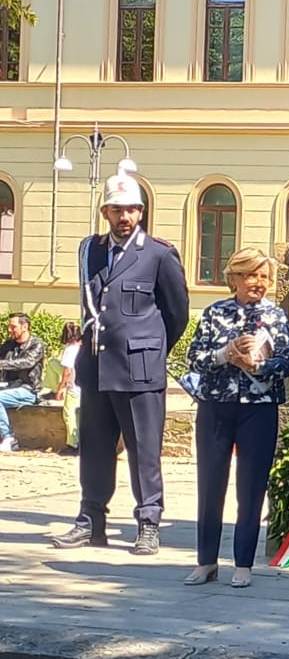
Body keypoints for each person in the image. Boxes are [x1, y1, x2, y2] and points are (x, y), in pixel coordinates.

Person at [52, 173, 189, 555]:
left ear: (141, 212)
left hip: (139, 370)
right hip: (96, 366)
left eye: (130, 209)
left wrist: (149, 349)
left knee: (144, 451)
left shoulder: (159, 254)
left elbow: (176, 314)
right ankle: (90, 521)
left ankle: (148, 523)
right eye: (116, 209)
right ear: (105, 213)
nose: (124, 216)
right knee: (94, 449)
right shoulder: (90, 251)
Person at [183, 248, 289, 588]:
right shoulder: (214, 312)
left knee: (251, 486)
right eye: (250, 275)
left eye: (263, 276)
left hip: (259, 408)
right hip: (216, 406)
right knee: (210, 483)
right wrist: (225, 354)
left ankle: (244, 563)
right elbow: (194, 357)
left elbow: (288, 362)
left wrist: (258, 366)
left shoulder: (275, 315)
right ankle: (206, 561)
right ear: (234, 278)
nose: (257, 282)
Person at [0, 313, 45, 453]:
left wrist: (2, 364)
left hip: (28, 389)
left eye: (13, 327)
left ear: (24, 326)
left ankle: (8, 438)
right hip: (8, 387)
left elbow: (27, 362)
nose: (10, 330)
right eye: (9, 327)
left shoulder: (36, 344)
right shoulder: (8, 345)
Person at [55, 322, 84, 453]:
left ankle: (73, 444)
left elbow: (67, 371)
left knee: (69, 414)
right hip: (83, 386)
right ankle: (80, 441)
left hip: (73, 387)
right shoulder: (82, 348)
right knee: (79, 415)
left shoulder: (69, 350)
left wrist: (61, 388)